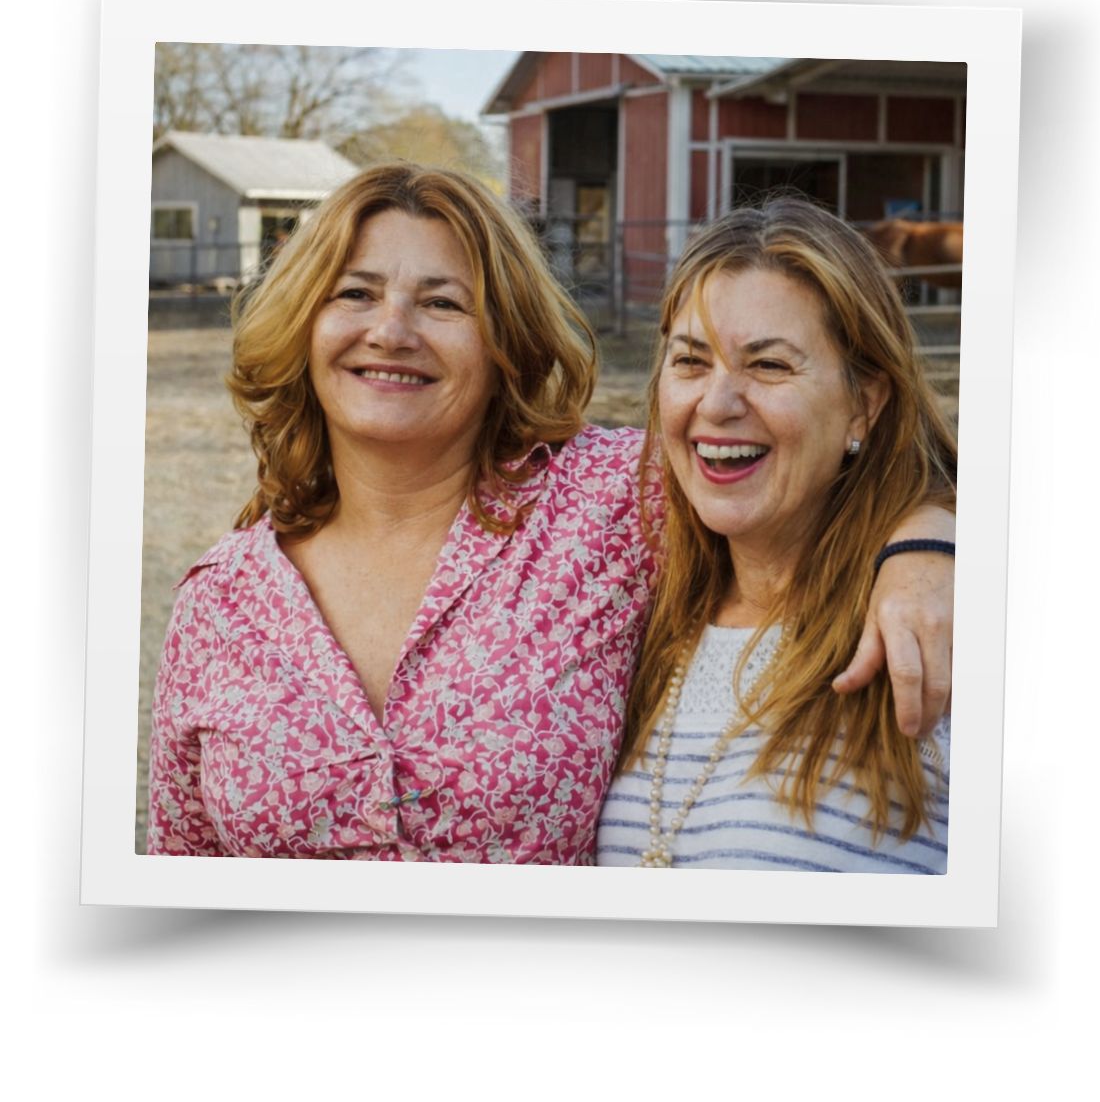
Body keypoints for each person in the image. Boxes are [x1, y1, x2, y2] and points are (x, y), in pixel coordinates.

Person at [147, 164, 955, 863]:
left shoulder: (605, 503)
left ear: (505, 341)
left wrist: (929, 544)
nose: (391, 331)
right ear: (304, 323)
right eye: (355, 293)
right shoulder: (220, 601)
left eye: (442, 304)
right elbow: (180, 868)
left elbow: (805, 469)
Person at [596, 198, 956, 871]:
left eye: (769, 365)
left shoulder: (935, 635)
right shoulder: (633, 608)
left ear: (863, 405)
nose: (718, 403)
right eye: (690, 362)